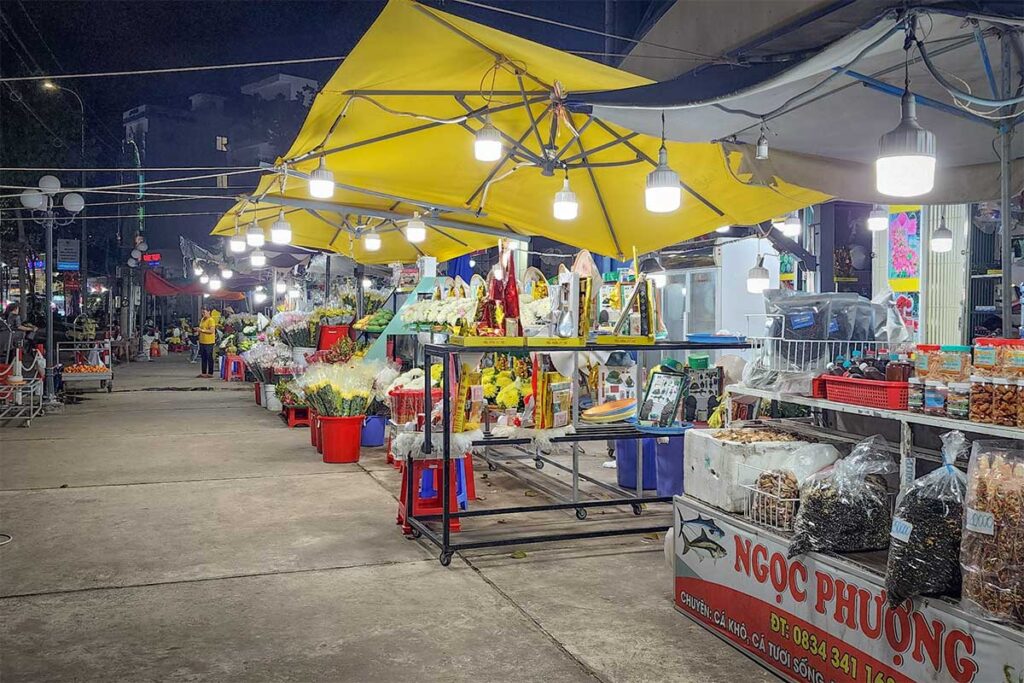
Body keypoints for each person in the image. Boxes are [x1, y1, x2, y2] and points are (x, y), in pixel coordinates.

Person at [197, 307, 217, 378]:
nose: (203, 314)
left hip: (209, 342)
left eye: (204, 312)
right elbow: (202, 328)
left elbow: (212, 331)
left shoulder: (211, 320)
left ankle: (210, 373)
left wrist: (202, 330)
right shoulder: (202, 319)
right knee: (203, 357)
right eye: (202, 312)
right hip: (202, 341)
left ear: (209, 312)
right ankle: (204, 372)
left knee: (209, 357)